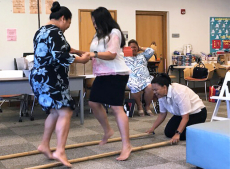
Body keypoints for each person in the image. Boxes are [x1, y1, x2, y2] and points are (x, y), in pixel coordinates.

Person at [29, 1, 90, 167]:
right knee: (66, 111)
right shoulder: (56, 32)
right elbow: (61, 56)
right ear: (63, 18)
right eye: (69, 23)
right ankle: (60, 150)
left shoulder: (41, 31)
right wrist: (82, 59)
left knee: (55, 112)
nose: (67, 27)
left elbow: (62, 49)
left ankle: (44, 145)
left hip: (39, 77)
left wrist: (77, 51)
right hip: (51, 77)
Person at [86, 7, 132, 161]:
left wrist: (93, 54)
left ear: (102, 20)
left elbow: (112, 54)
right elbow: (94, 53)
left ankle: (127, 145)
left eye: (95, 22)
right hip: (102, 74)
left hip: (117, 73)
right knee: (93, 103)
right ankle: (108, 131)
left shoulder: (114, 33)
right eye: (93, 22)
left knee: (116, 108)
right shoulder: (98, 35)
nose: (94, 25)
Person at [147, 73, 207, 144]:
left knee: (181, 135)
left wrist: (177, 134)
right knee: (168, 132)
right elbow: (162, 114)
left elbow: (185, 117)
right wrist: (152, 128)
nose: (154, 92)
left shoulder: (179, 92)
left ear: (164, 87)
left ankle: (201, 131)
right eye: (153, 90)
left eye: (156, 90)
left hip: (197, 113)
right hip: (180, 114)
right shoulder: (161, 95)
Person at [124, 39, 155, 116]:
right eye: (131, 47)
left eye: (135, 47)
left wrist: (140, 48)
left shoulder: (143, 55)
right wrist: (125, 50)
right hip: (132, 78)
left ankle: (147, 107)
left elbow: (151, 51)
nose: (133, 49)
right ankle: (139, 106)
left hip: (145, 78)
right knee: (134, 86)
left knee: (150, 86)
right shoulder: (124, 57)